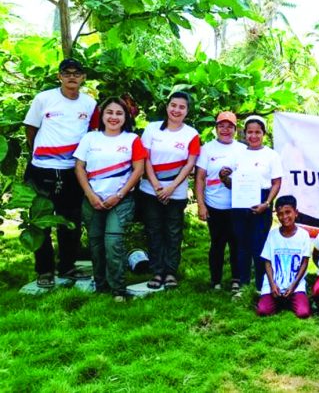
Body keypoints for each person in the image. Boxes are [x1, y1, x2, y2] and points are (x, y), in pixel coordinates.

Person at [23, 58, 99, 288]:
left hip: (71, 172)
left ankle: (67, 266)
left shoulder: (89, 103)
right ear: (59, 76)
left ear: (83, 77)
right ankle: (44, 270)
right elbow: (30, 128)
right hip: (42, 170)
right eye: (67, 73)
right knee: (40, 221)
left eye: (77, 73)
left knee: (70, 221)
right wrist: (41, 154)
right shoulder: (44, 99)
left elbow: (92, 133)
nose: (72, 77)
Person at [74, 97, 147, 300]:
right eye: (109, 112)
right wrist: (90, 194)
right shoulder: (90, 138)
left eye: (119, 113)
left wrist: (119, 195)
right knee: (95, 244)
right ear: (102, 115)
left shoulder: (132, 140)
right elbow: (79, 167)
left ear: (125, 117)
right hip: (92, 200)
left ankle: (118, 290)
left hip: (121, 200)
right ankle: (101, 285)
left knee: (113, 243)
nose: (113, 117)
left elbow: (138, 169)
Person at [140, 92, 200, 290]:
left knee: (173, 233)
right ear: (167, 107)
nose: (176, 110)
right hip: (150, 190)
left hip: (177, 192)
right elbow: (145, 158)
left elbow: (190, 163)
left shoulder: (191, 134)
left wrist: (171, 187)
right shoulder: (151, 129)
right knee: (154, 231)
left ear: (187, 111)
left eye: (182, 107)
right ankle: (157, 272)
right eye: (173, 105)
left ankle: (171, 272)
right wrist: (157, 186)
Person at [221, 115, 282, 290]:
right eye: (249, 132)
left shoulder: (271, 155)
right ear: (244, 133)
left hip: (262, 203)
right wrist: (224, 176)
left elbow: (276, 182)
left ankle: (261, 286)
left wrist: (267, 203)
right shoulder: (238, 153)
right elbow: (230, 179)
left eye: (257, 132)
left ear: (263, 133)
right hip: (240, 203)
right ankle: (243, 284)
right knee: (242, 246)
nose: (253, 136)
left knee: (259, 246)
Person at [195, 111, 246, 291]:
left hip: (236, 206)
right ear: (216, 128)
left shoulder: (242, 149)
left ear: (235, 128)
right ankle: (215, 280)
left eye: (230, 126)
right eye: (221, 126)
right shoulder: (207, 149)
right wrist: (201, 204)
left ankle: (236, 278)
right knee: (217, 243)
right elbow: (200, 178)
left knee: (236, 242)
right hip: (214, 205)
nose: (225, 129)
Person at [256, 195, 311, 318]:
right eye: (280, 214)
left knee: (303, 312)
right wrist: (272, 284)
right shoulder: (273, 234)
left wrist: (293, 286)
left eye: (288, 212)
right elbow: (268, 262)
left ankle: (288, 300)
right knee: (263, 311)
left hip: (295, 285)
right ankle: (279, 301)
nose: (284, 217)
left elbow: (304, 263)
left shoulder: (304, 235)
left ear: (296, 213)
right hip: (274, 284)